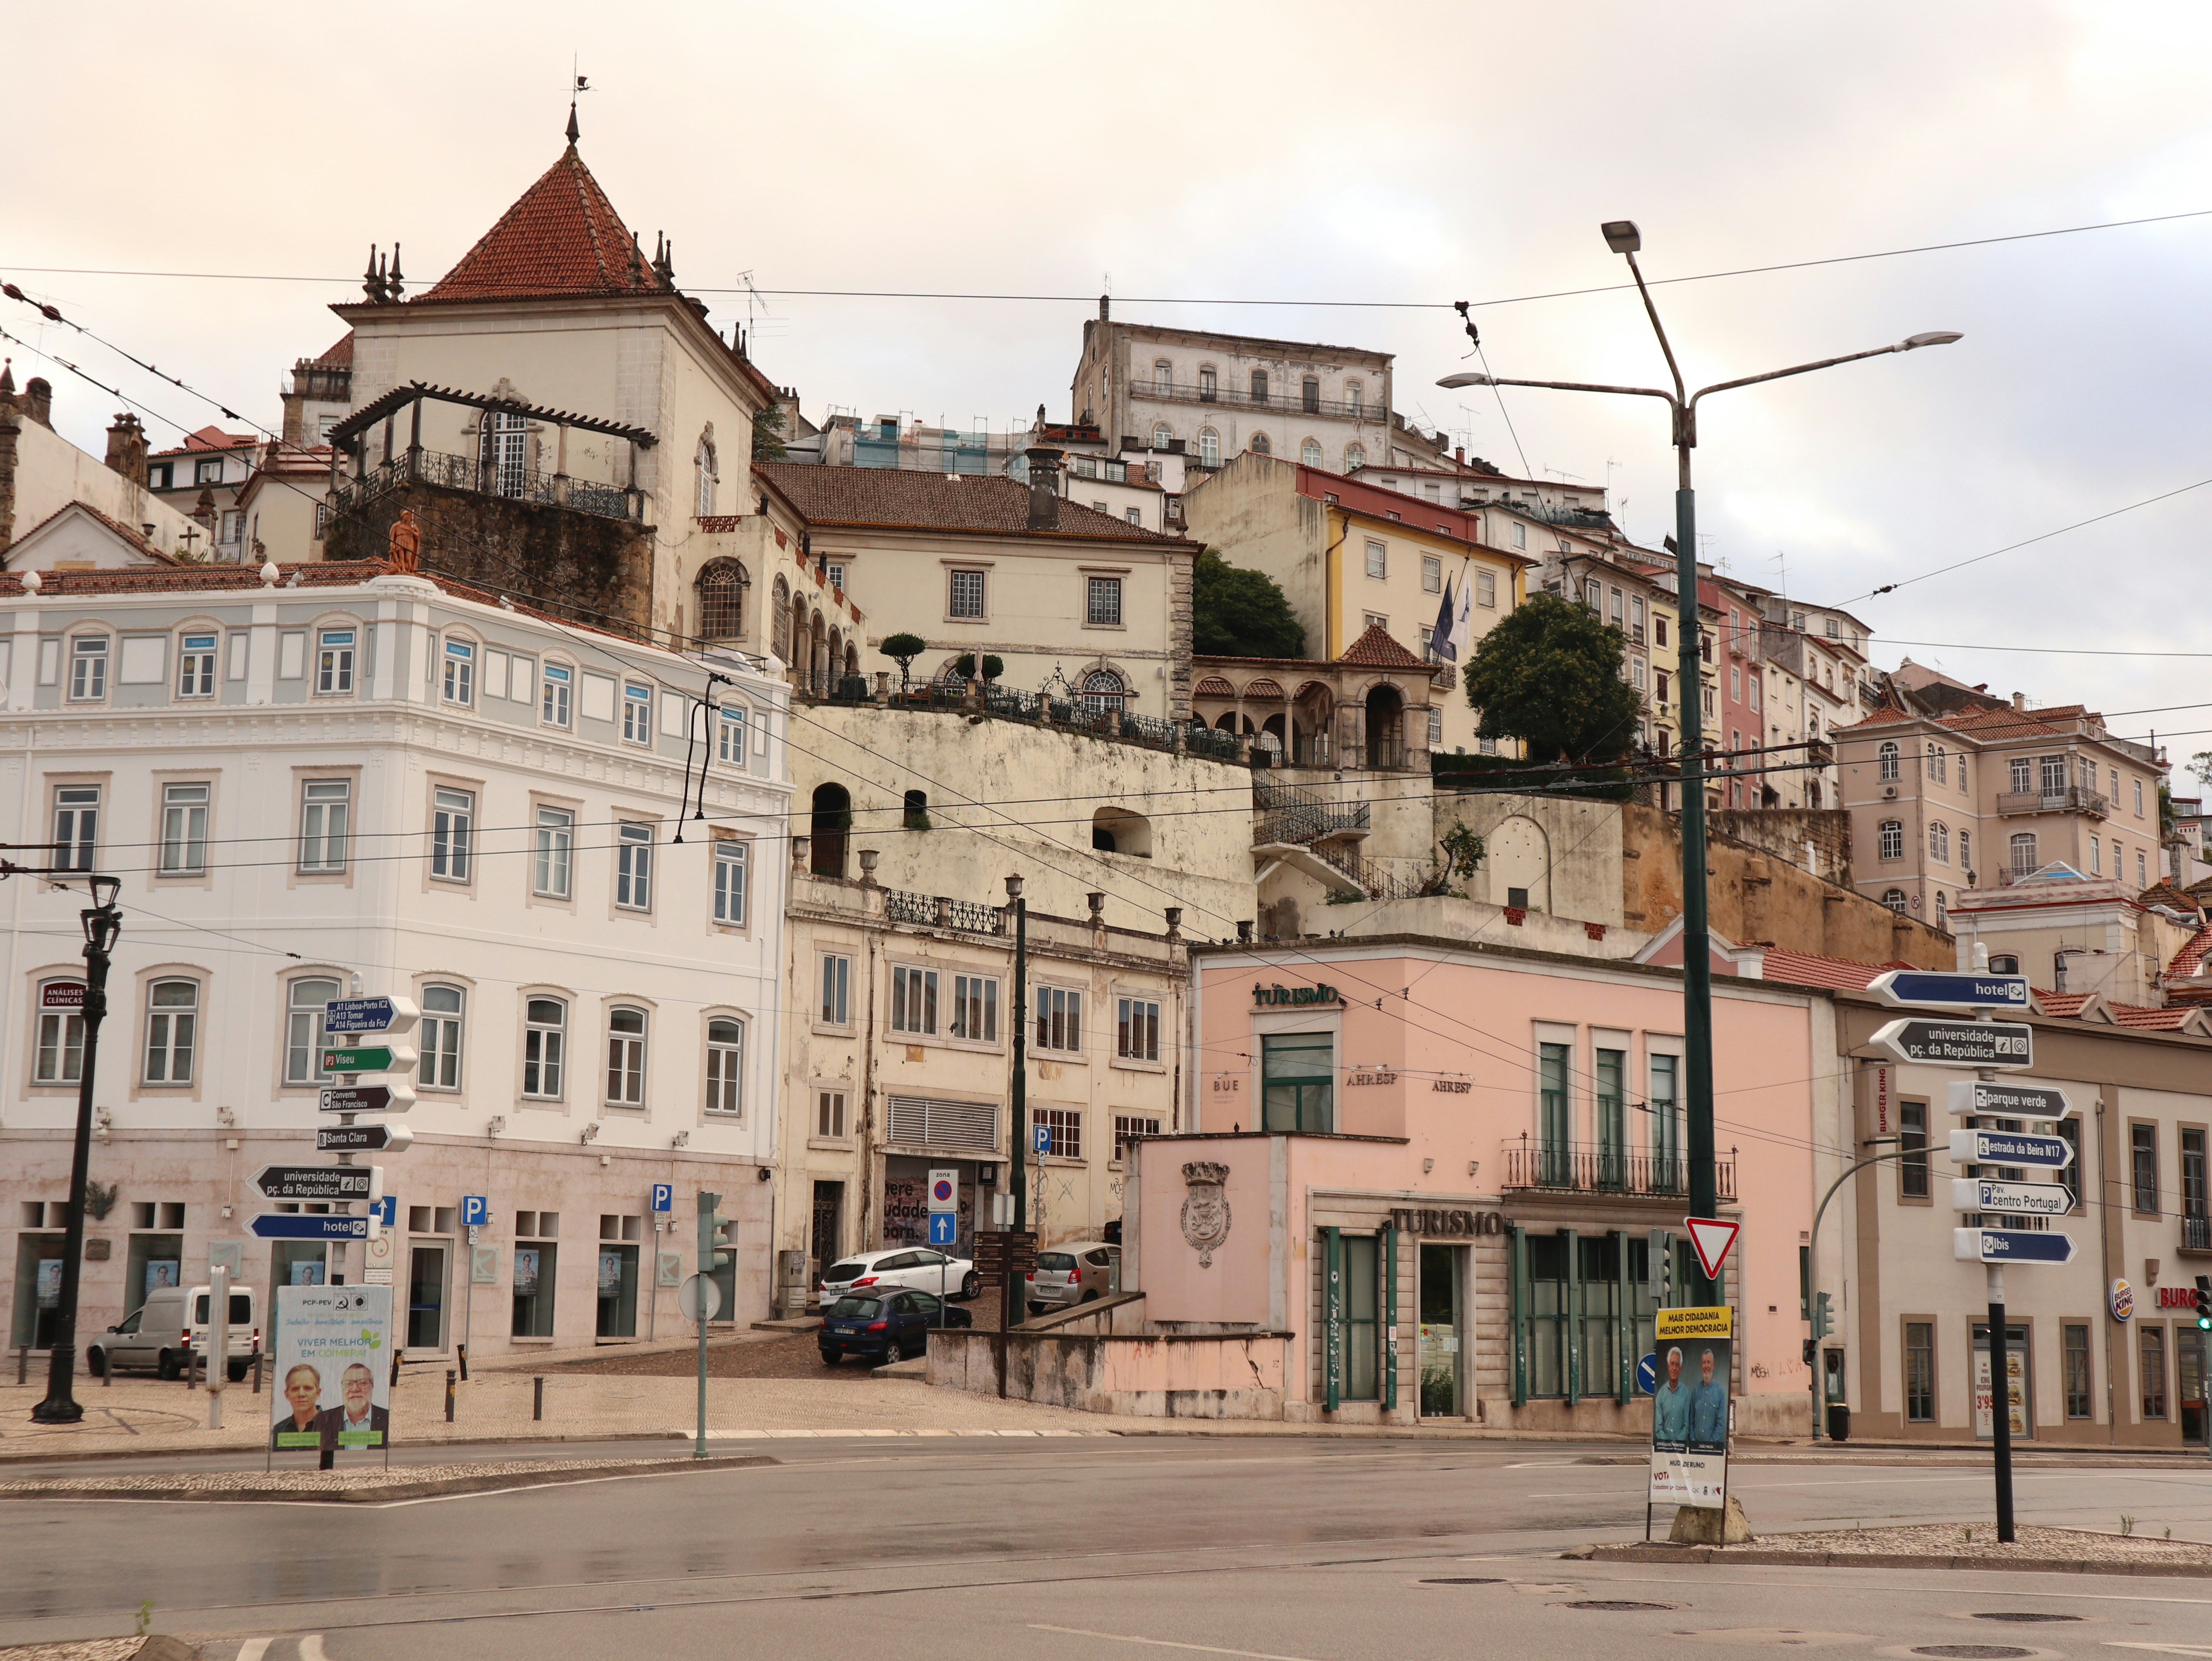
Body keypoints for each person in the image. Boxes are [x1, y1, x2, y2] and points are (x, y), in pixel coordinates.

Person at [316, 1362, 390, 1447]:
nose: (355, 1389)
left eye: (362, 1383)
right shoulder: (325, 1419)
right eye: (349, 1384)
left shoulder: (386, 1418)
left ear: (372, 1386)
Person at [273, 1363, 322, 1448]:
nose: (301, 1394)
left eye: (308, 1388)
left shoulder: (334, 1427)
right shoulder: (278, 1431)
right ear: (287, 1395)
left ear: (318, 1393)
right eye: (295, 1389)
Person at [1650, 1346, 1692, 1445]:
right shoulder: (1661, 1395)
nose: (1674, 1368)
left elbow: (1687, 1425)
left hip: (1681, 1449)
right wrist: (1668, 1445)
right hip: (1664, 1451)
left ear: (1680, 1369)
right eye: (1672, 1364)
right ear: (1668, 1366)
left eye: (1677, 1365)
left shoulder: (1685, 1393)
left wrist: (1677, 1443)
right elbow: (1658, 1428)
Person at [1689, 1346, 1729, 1447]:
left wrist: (1711, 1445)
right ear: (1701, 1366)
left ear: (1713, 1365)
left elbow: (1721, 1424)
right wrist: (1694, 1442)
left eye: (1709, 1362)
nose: (1706, 1366)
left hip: (1713, 1449)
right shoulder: (1696, 1391)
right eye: (1704, 1362)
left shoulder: (1720, 1393)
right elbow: (1691, 1421)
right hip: (1696, 1448)